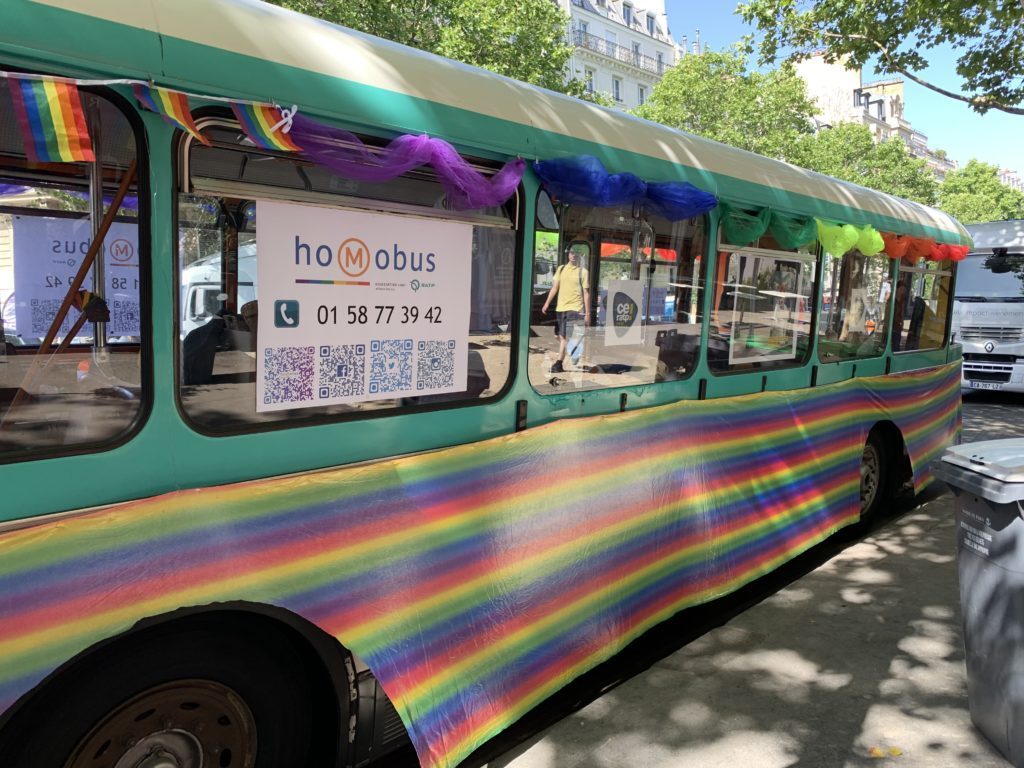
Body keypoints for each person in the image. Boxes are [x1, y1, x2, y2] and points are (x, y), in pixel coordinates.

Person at [541, 238, 591, 373]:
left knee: (563, 337)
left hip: (575, 309)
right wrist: (546, 303)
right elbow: (554, 288)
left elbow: (586, 293)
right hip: (560, 308)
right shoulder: (561, 269)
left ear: (580, 256)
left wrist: (587, 314)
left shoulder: (583, 272)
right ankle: (574, 350)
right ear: (568, 254)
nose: (573, 255)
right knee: (557, 336)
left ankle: (558, 364)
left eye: (576, 254)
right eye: (571, 253)